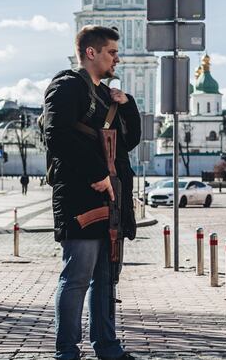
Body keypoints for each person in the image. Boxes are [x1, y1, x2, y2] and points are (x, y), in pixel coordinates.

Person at [43, 25, 141, 360]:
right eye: (112, 51)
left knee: (105, 279)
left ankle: (107, 346)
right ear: (91, 52)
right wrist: (97, 173)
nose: (118, 58)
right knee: (77, 277)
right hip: (81, 197)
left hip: (110, 198)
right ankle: (67, 352)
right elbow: (56, 136)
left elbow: (128, 142)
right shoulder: (67, 86)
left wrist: (127, 106)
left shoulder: (104, 94)